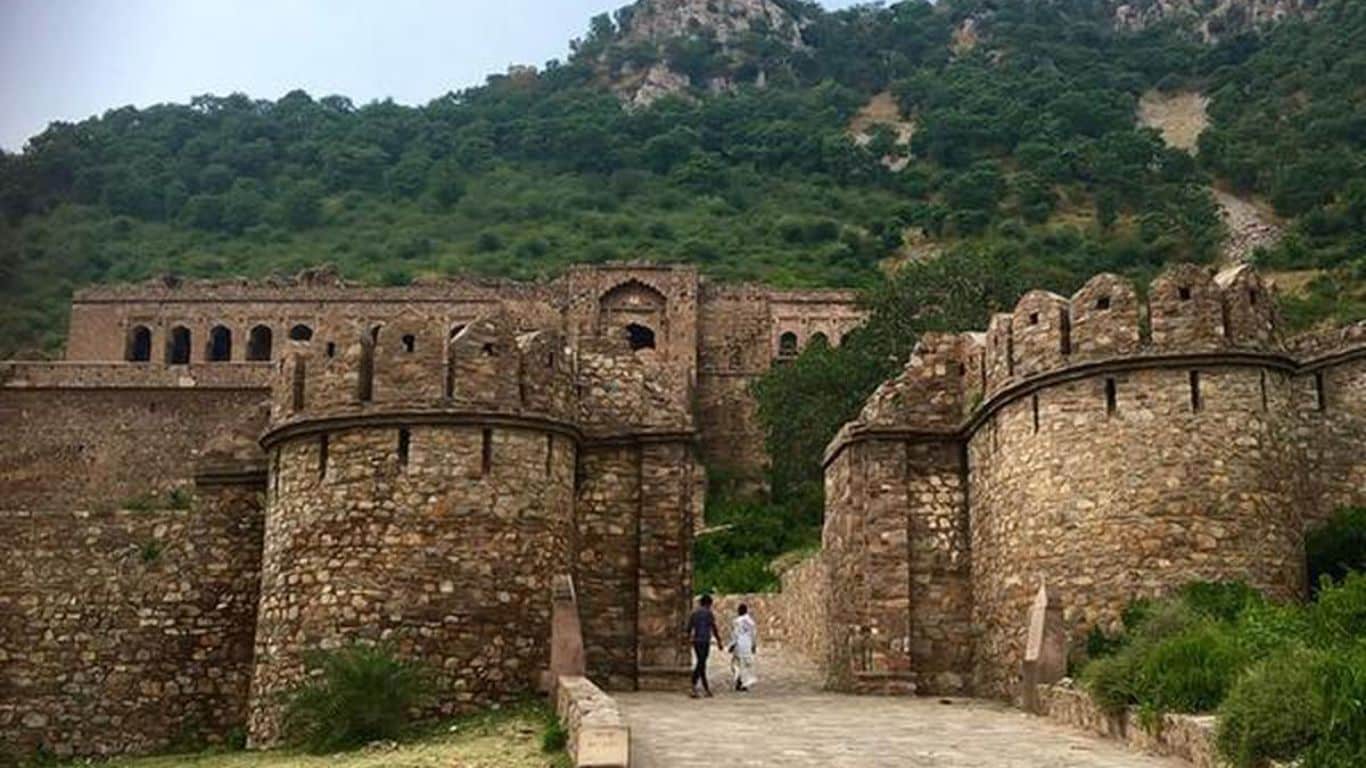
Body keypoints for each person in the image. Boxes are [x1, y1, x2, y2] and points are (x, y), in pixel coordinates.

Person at [685, 594, 723, 698]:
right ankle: (693, 685)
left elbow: (689, 628)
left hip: (697, 641)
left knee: (701, 663)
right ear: (709, 603)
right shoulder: (708, 614)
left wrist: (687, 639)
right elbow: (713, 627)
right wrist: (719, 640)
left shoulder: (694, 613)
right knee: (701, 663)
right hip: (705, 640)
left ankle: (704, 688)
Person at [729, 603, 758, 691]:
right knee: (746, 664)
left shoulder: (736, 621)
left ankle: (739, 680)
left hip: (739, 644)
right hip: (747, 644)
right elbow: (753, 635)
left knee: (736, 664)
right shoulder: (751, 622)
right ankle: (744, 683)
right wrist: (753, 645)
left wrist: (732, 645)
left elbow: (735, 634)